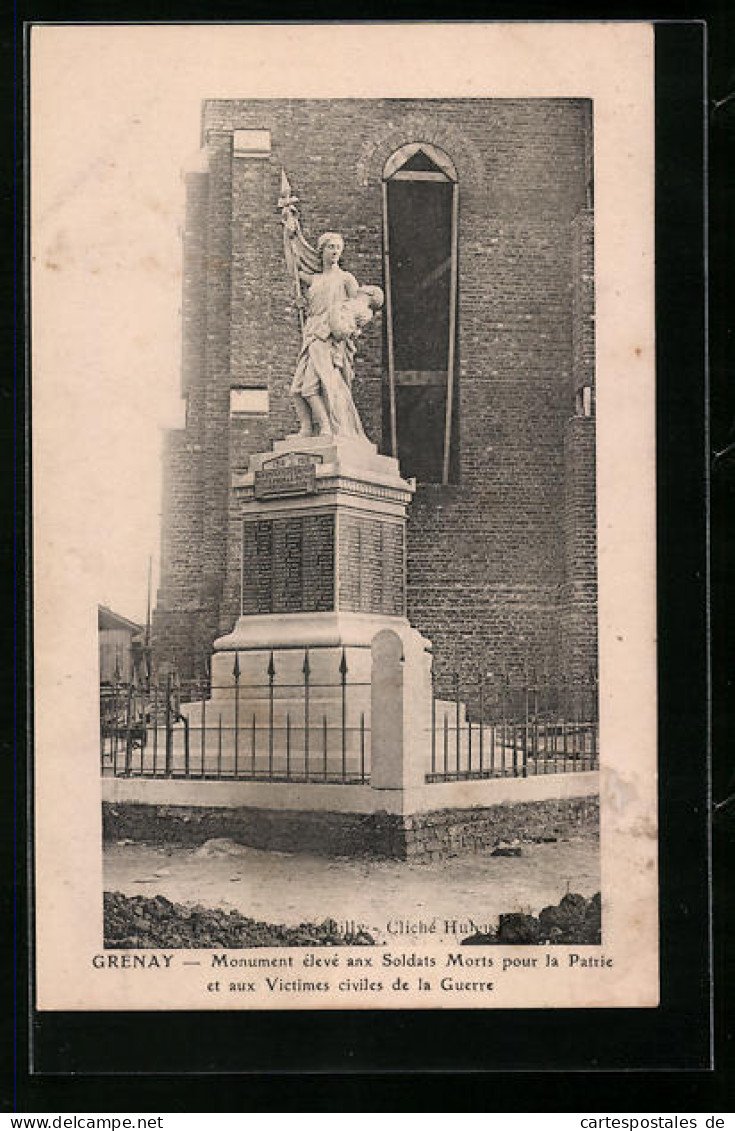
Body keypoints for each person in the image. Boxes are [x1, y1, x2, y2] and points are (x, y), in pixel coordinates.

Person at [290, 232, 383, 439]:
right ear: (321, 250)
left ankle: (325, 427)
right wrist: (290, 230)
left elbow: (356, 308)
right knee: (296, 389)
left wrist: (351, 328)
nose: (335, 251)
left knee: (314, 386)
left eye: (338, 248)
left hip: (328, 339)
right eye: (331, 247)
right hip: (311, 334)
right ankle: (306, 428)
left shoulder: (346, 279)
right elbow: (294, 269)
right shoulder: (315, 279)